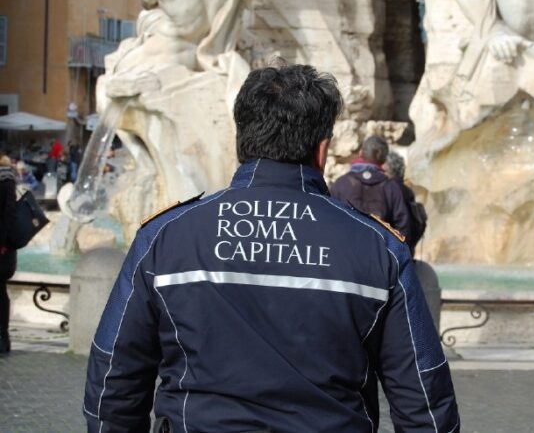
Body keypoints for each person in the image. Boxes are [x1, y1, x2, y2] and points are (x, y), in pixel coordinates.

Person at [83, 64, 460, 432]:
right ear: (322, 148)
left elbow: (114, 375)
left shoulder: (164, 238)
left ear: (240, 139)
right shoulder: (378, 248)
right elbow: (423, 396)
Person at [330, 136, 411, 241]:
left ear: (361, 153)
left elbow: (329, 220)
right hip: (380, 254)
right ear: (384, 159)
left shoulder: (341, 184)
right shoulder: (391, 188)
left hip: (344, 253)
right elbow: (403, 227)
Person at [385, 151, 427, 256]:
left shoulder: (388, 189)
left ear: (388, 171)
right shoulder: (407, 191)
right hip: (406, 252)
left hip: (392, 254)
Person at [0, 154, 17, 354]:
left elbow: (9, 213)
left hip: (2, 247)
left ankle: (3, 336)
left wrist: (2, 242)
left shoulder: (5, 177)